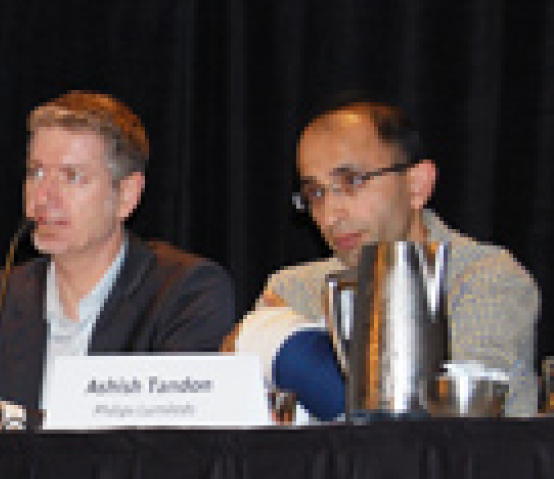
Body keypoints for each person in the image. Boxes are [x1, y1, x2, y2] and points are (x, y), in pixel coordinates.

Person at [0, 91, 237, 432]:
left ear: (127, 195)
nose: (43, 196)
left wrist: (3, 418)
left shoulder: (184, 291)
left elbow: (172, 439)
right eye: (36, 172)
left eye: (72, 177)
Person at [230, 100, 541, 417]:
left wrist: (290, 350)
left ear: (416, 185)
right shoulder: (294, 288)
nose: (331, 216)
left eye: (351, 181)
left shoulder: (485, 278)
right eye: (316, 193)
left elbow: (450, 427)